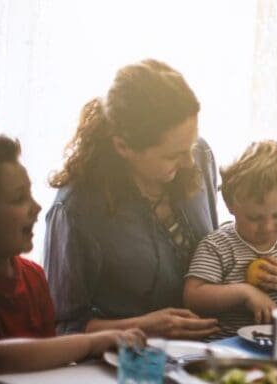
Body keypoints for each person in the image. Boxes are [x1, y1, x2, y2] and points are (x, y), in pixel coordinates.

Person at [44, 59, 219, 339]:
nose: (189, 161)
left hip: (202, 354)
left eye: (191, 145)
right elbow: (64, 327)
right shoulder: (76, 209)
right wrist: (144, 326)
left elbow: (215, 255)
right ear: (123, 146)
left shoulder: (199, 157)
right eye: (173, 155)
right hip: (124, 364)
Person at [0, 134, 145, 374]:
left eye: (30, 194)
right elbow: (2, 359)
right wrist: (92, 342)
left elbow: (50, 359)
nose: (36, 207)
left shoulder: (33, 276)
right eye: (18, 198)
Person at [184, 141, 277, 338]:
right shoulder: (217, 246)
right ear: (230, 205)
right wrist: (244, 293)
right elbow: (193, 296)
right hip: (230, 349)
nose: (267, 227)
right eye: (254, 218)